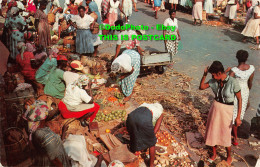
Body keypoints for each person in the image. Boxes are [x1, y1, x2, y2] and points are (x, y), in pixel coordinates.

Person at [199, 61, 242, 165]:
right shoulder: (213, 81)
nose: (212, 76)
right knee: (212, 131)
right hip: (215, 108)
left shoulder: (233, 82)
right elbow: (201, 87)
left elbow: (240, 99)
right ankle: (214, 154)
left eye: (213, 74)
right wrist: (204, 75)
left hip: (227, 110)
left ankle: (229, 156)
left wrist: (238, 117)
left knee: (226, 133)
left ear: (219, 73)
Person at [229, 50, 255, 145]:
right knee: (242, 109)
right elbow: (250, 82)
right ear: (246, 58)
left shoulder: (234, 71)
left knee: (235, 112)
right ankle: (237, 124)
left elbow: (229, 84)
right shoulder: (251, 68)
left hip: (237, 92)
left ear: (237, 58)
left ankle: (235, 138)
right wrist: (247, 90)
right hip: (245, 91)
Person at [126, 103, 164, 167]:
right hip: (143, 119)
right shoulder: (161, 113)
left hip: (131, 117)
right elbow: (156, 129)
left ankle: (131, 155)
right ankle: (151, 165)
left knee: (134, 134)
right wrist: (149, 139)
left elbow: (137, 117)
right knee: (152, 143)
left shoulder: (145, 104)